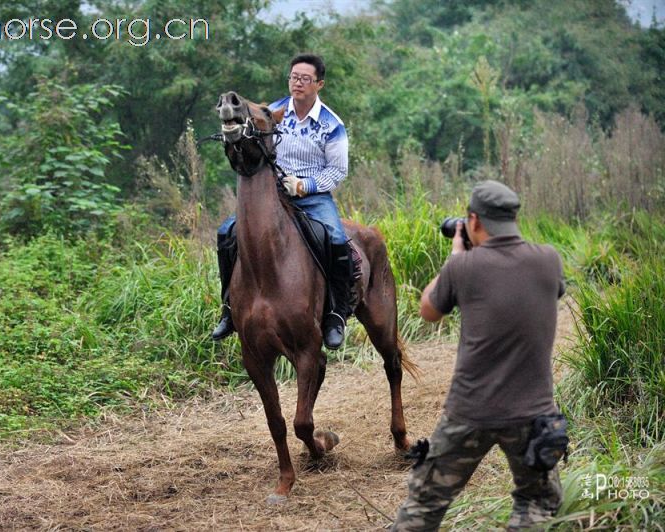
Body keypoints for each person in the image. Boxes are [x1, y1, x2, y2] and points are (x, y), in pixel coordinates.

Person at [391, 180, 566, 531]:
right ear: (514, 218)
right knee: (537, 504)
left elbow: (428, 310)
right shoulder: (549, 260)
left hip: (470, 412)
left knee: (424, 505)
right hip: (533, 415)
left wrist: (456, 255)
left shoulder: (463, 267)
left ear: (473, 221)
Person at [212, 53, 353, 350]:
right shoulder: (272, 111)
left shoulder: (332, 124)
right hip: (272, 193)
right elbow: (243, 114)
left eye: (305, 79)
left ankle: (335, 314)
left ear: (319, 84)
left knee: (337, 239)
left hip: (313, 197)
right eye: (293, 77)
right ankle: (229, 308)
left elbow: (338, 171)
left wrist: (304, 186)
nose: (297, 83)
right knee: (226, 233)